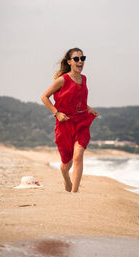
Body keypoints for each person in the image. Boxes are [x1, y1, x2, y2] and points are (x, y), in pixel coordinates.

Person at [41, 47, 98, 192]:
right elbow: (44, 97)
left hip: (82, 121)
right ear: (69, 62)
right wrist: (57, 113)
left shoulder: (84, 79)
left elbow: (79, 100)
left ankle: (75, 192)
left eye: (82, 58)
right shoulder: (62, 80)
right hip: (65, 122)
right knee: (66, 163)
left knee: (78, 154)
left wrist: (89, 108)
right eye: (76, 59)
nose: (80, 61)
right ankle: (65, 176)